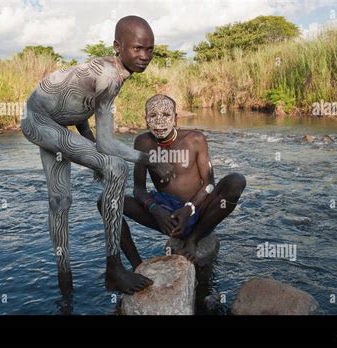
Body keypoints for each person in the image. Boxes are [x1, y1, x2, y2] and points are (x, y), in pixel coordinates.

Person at [21, 16, 173, 296]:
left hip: (49, 119)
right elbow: (107, 144)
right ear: (118, 46)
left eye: (150, 49)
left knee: (60, 200)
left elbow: (78, 107)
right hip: (39, 121)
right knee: (116, 167)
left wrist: (89, 150)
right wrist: (151, 160)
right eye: (138, 48)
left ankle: (64, 283)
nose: (145, 56)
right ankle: (114, 269)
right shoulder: (109, 76)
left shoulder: (111, 70)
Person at [98, 94, 246, 268]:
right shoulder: (143, 142)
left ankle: (193, 239)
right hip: (167, 215)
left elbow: (209, 184)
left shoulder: (195, 139)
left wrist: (188, 209)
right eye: (153, 116)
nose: (159, 122)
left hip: (199, 209)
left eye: (166, 116)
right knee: (106, 200)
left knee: (236, 180)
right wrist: (156, 210)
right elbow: (138, 188)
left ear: (175, 119)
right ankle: (137, 265)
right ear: (145, 120)